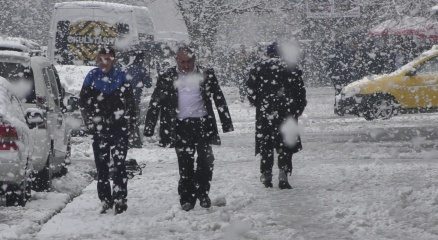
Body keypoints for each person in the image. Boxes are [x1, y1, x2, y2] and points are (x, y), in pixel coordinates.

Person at [144, 45, 234, 211]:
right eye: (182, 62)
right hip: (179, 125)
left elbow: (218, 97)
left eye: (189, 62)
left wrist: (226, 122)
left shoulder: (206, 74)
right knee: (185, 164)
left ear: (195, 59)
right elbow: (156, 101)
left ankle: (203, 192)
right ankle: (187, 199)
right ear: (176, 60)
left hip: (202, 124)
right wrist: (149, 127)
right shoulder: (167, 76)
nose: (186, 66)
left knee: (206, 162)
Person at [79, 46, 136, 214]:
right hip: (99, 128)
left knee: (119, 164)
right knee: (102, 165)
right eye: (102, 58)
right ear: (97, 59)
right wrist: (90, 122)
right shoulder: (92, 76)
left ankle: (120, 197)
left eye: (108, 58)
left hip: (119, 127)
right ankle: (105, 199)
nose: (105, 62)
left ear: (114, 59)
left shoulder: (121, 77)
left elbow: (131, 103)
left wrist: (131, 124)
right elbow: (83, 102)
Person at [246, 42, 307, 189]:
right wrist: (297, 109)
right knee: (285, 143)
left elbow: (250, 90)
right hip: (287, 112)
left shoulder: (258, 67)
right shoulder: (291, 68)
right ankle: (283, 173)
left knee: (265, 144)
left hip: (265, 112)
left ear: (268, 53)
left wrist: (259, 103)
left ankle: (266, 174)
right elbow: (300, 92)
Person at [122, 50, 152, 148]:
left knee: (125, 120)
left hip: (124, 99)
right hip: (135, 99)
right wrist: (148, 77)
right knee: (134, 120)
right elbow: (148, 84)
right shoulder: (142, 70)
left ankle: (126, 140)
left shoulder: (126, 69)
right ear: (142, 59)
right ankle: (135, 141)